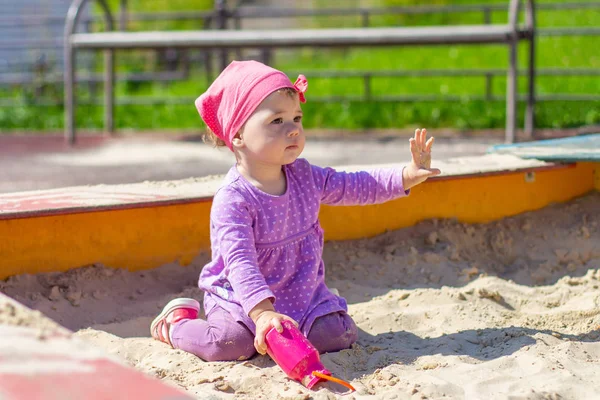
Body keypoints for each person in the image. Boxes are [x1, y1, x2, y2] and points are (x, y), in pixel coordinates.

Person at [151, 60, 440, 362]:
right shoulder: (233, 199)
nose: (293, 130)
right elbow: (240, 264)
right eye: (277, 121)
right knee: (229, 344)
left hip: (300, 292)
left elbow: (354, 185)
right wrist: (262, 315)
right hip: (241, 299)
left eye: (297, 118)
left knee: (337, 334)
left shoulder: (305, 176)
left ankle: (299, 321)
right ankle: (176, 326)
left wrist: (406, 175)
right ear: (237, 135)